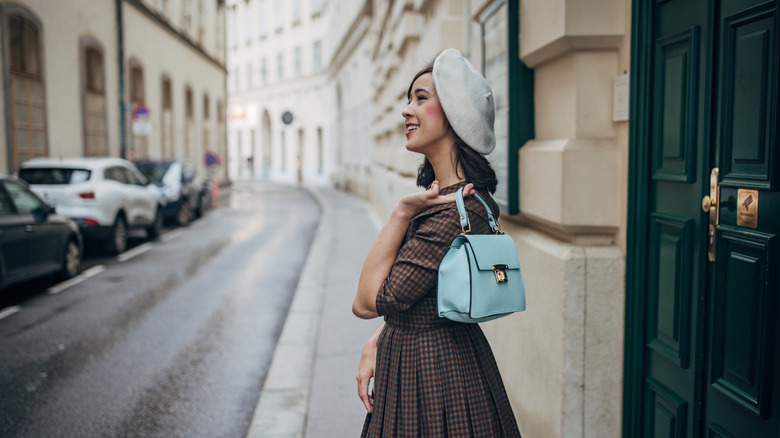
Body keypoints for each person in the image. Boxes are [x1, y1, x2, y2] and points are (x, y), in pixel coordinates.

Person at [352, 48, 522, 437]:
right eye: (408, 99)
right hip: (430, 362)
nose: (406, 110)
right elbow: (428, 298)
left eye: (421, 98)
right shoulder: (458, 201)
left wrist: (399, 213)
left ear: (454, 114)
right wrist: (377, 340)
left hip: (431, 377)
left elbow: (366, 302)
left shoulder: (454, 214)